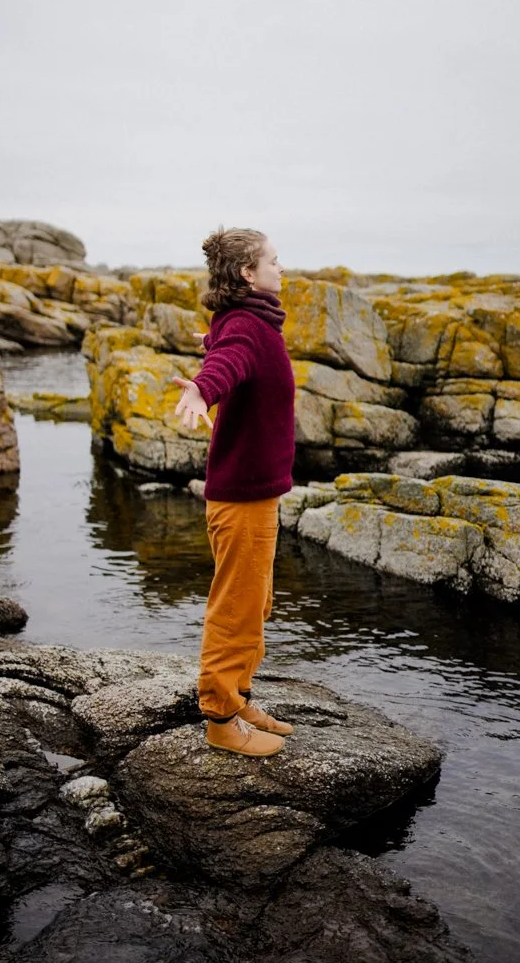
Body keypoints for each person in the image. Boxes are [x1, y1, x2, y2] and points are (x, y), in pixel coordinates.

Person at [171, 226, 296, 757]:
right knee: (236, 608)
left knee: (254, 603)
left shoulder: (243, 321)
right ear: (248, 273)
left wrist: (210, 343)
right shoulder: (246, 326)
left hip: (255, 493)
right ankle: (220, 718)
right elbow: (228, 363)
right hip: (241, 497)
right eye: (273, 260)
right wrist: (203, 389)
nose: (281, 268)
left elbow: (227, 346)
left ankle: (240, 697)